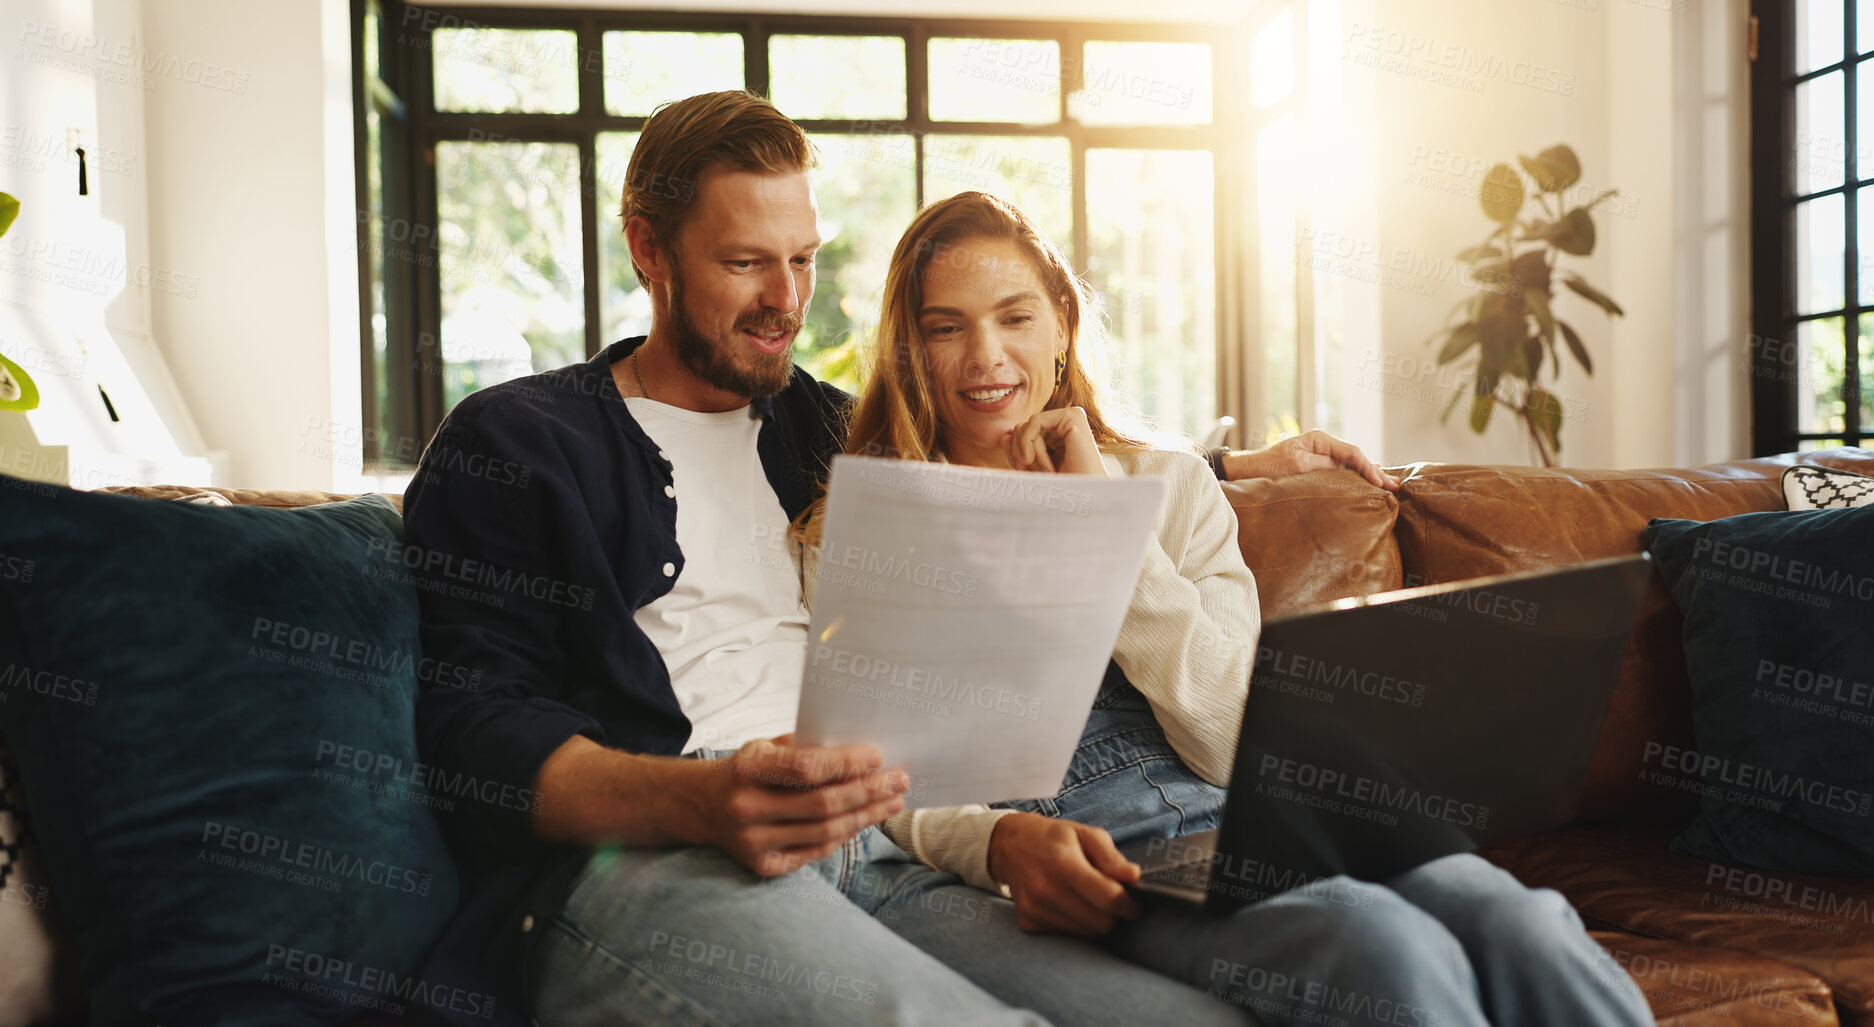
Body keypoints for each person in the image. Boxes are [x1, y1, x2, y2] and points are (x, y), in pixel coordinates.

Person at [403, 90, 1392, 1026]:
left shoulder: (827, 434)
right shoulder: (519, 441)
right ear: (648, 250)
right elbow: (473, 729)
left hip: (882, 852)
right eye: (745, 263)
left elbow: (995, 457)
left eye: (803, 259)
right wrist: (703, 798)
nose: (785, 301)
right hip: (659, 855)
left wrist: (1228, 466)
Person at [805, 190, 1656, 1027]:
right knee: (1379, 945)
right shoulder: (867, 529)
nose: (985, 356)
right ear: (911, 350)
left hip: (1258, 818)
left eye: (1014, 317)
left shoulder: (1172, 486)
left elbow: (1226, 743)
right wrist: (993, 850)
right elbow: (879, 787)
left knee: (1520, 920)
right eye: (945, 328)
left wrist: (1106, 526)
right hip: (1106, 855)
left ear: (1061, 324)